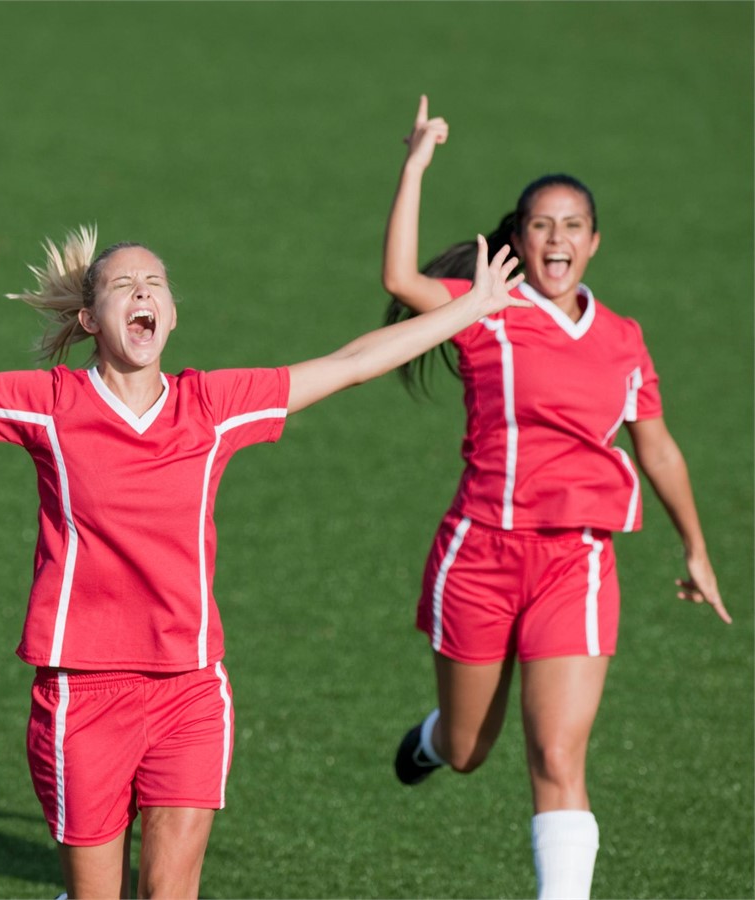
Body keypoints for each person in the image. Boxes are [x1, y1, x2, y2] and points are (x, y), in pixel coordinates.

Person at [0, 223, 525, 899]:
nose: (144, 292)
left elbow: (347, 365)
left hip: (192, 687)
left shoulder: (213, 406)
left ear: (172, 313)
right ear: (90, 320)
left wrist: (471, 307)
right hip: (82, 693)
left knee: (171, 892)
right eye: (124, 284)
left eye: (155, 282)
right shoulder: (47, 405)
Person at [382, 96, 731, 900]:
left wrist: (697, 548)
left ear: (595, 242)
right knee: (472, 749)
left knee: (559, 758)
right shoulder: (485, 310)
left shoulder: (623, 338)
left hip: (577, 560)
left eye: (573, 226)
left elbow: (658, 447)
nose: (558, 240)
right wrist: (416, 165)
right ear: (519, 239)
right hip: (480, 554)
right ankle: (434, 742)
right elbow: (400, 279)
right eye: (541, 225)